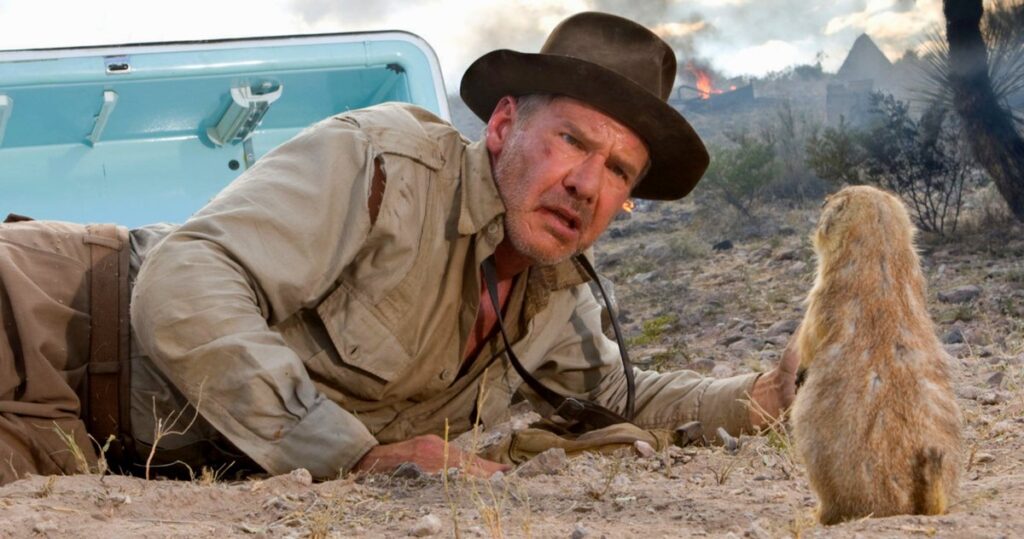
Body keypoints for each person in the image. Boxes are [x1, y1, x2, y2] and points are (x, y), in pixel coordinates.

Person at [0, 12, 797, 485]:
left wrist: (764, 395)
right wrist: (350, 455)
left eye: (618, 170)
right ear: (504, 125)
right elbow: (184, 278)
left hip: (89, 443)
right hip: (42, 317)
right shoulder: (388, 163)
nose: (587, 183)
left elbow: (619, 397)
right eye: (572, 141)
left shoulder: (560, 296)